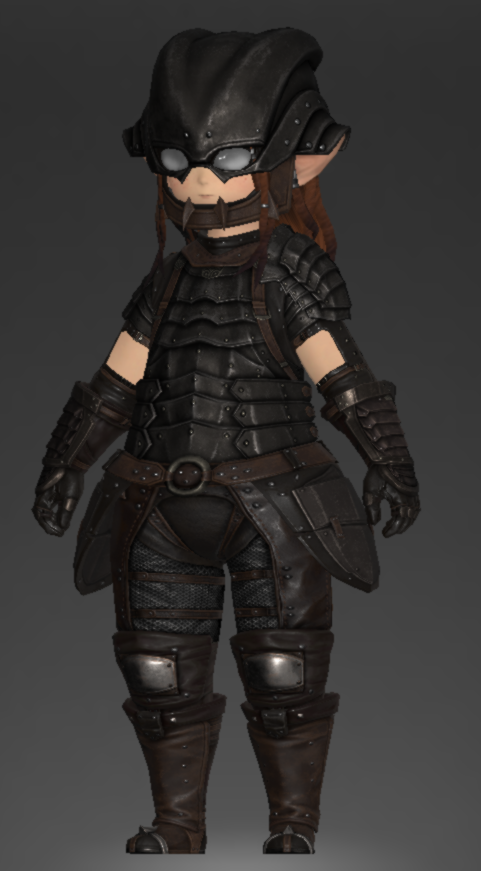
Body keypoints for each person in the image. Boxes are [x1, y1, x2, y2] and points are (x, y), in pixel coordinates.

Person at [32, 28, 420, 855]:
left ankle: (292, 824)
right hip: (156, 502)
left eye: (229, 161)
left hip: (275, 506)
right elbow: (118, 380)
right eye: (179, 164)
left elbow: (339, 376)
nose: (200, 183)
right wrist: (65, 461)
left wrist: (388, 460)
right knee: (158, 671)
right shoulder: (167, 279)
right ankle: (178, 825)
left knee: (284, 671)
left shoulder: (287, 272)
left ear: (293, 160)